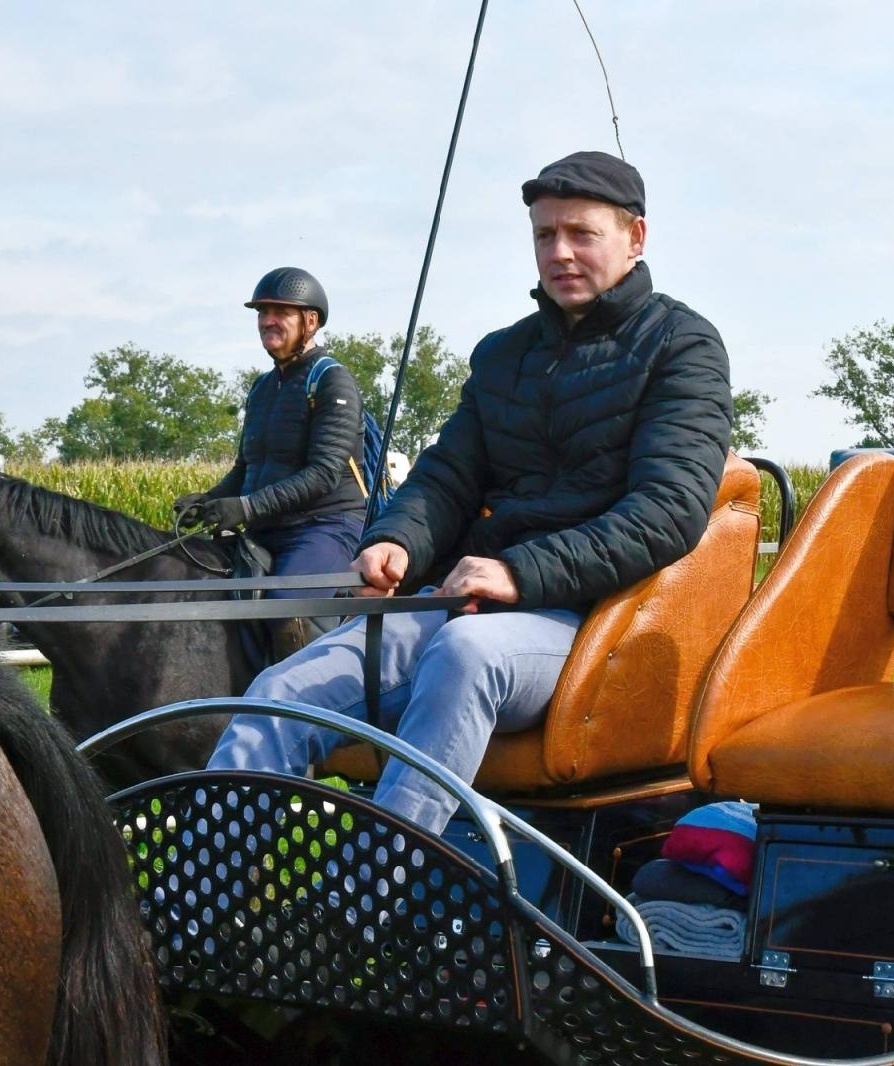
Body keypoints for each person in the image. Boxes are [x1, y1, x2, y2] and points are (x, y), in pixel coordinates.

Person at [207, 151, 734, 835]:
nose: (560, 252)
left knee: (465, 655)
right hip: (475, 600)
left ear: (635, 237)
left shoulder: (682, 346)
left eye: (581, 233)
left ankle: (380, 878)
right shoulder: (503, 355)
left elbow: (668, 511)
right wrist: (397, 540)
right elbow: (446, 475)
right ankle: (200, 884)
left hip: (598, 619)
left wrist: (519, 571)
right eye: (545, 235)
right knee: (281, 691)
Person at [173, 267, 368, 598]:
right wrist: (209, 501)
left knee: (282, 605)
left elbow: (323, 474)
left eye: (280, 312)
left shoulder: (332, 380)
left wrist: (246, 508)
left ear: (310, 321)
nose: (267, 321)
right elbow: (245, 468)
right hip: (266, 528)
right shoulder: (261, 387)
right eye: (263, 313)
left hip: (325, 526)